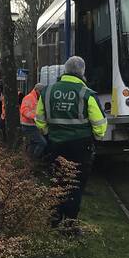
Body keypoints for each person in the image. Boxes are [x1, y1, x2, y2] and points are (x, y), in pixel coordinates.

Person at [35, 56, 107, 223]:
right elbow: (100, 124)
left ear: (65, 71)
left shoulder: (47, 91)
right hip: (81, 146)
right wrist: (96, 137)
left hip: (55, 144)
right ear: (82, 72)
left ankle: (54, 218)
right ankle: (70, 223)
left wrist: (48, 134)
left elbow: (39, 118)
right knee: (75, 184)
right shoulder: (86, 94)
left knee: (57, 181)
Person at [19, 83, 47, 158]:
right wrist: (34, 117)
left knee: (33, 143)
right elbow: (24, 110)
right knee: (42, 143)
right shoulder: (29, 98)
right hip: (28, 125)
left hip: (32, 125)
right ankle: (33, 160)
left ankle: (29, 159)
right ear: (37, 90)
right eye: (41, 92)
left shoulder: (35, 98)